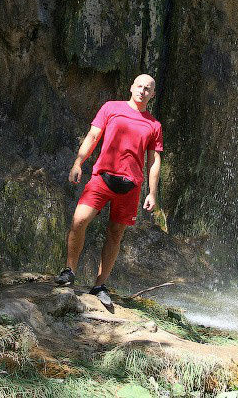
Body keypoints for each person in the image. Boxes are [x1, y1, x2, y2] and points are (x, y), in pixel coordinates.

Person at [55, 74, 163, 307]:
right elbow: (93, 136)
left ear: (152, 95)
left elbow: (154, 160)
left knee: (115, 234)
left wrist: (152, 193)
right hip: (102, 178)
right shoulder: (111, 108)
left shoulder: (154, 125)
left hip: (130, 186)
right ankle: (69, 271)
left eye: (148, 89)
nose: (143, 91)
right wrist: (78, 163)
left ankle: (99, 284)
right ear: (132, 87)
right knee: (79, 221)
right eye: (140, 86)